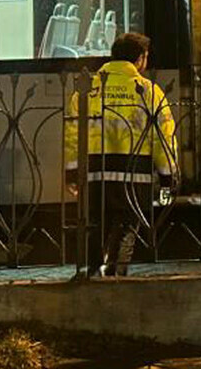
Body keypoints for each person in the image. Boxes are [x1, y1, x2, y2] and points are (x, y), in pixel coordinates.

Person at [64, 33, 176, 277]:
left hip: (95, 172)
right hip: (135, 172)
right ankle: (114, 272)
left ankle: (91, 270)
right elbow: (162, 136)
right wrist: (168, 175)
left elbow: (73, 133)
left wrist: (72, 171)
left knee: (95, 224)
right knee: (126, 224)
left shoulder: (88, 89)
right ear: (140, 59)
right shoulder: (148, 90)